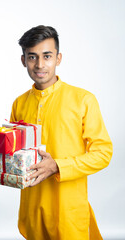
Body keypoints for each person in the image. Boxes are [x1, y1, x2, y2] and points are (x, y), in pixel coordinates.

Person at [10, 25, 113, 240]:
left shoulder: (83, 100)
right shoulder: (19, 103)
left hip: (68, 212)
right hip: (32, 212)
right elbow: (15, 155)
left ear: (58, 58)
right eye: (32, 57)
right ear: (23, 61)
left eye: (47, 56)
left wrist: (57, 165)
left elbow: (103, 154)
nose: (39, 64)